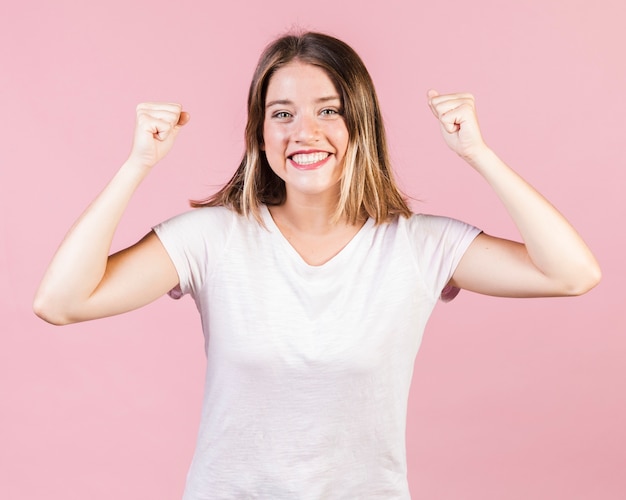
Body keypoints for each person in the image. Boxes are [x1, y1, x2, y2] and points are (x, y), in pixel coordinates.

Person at [33, 32, 601, 499]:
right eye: (282, 113)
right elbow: (61, 302)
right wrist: (137, 164)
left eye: (329, 110)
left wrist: (480, 154)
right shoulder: (214, 238)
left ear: (361, 124)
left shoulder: (417, 246)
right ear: (260, 131)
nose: (305, 132)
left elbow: (571, 274)